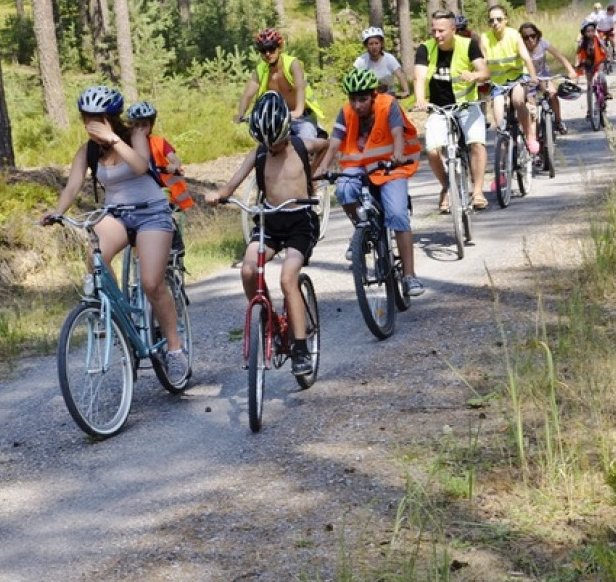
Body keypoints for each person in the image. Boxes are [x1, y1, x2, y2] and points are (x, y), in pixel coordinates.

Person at [41, 86, 189, 384]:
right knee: (95, 255)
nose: (90, 125)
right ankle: (119, 313)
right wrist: (56, 211)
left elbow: (139, 165)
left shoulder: (134, 135)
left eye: (97, 118)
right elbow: (72, 186)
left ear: (111, 118)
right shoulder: (88, 151)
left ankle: (175, 350)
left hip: (151, 212)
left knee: (151, 282)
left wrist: (112, 139)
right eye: (86, 119)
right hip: (117, 214)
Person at [205, 92, 318, 376]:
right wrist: (219, 195)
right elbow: (231, 185)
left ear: (286, 132)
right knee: (248, 269)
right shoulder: (258, 153)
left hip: (300, 222)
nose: (273, 148)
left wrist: (320, 171)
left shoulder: (301, 145)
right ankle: (268, 319)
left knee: (287, 277)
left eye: (277, 142)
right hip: (270, 222)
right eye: (267, 144)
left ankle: (301, 349)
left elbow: (331, 145)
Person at [313, 68, 425, 297]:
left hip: (389, 167)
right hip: (359, 167)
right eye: (352, 99)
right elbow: (334, 142)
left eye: (362, 99)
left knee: (397, 214)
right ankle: (362, 232)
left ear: (373, 95)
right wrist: (323, 166)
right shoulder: (346, 112)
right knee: (343, 190)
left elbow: (396, 133)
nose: (357, 105)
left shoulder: (387, 105)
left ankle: (410, 276)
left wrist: (397, 154)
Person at [413, 10, 491, 213]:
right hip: (438, 108)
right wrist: (421, 99)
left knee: (476, 143)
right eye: (434, 31)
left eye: (441, 31)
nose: (437, 35)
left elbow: (485, 72)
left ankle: (478, 191)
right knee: (432, 150)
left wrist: (474, 76)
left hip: (466, 105)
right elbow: (419, 77)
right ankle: (447, 185)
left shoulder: (468, 45)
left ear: (453, 29)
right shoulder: (425, 49)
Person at [235, 28, 323, 139]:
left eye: (271, 49)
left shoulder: (292, 64)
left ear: (279, 48)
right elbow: (247, 95)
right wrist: (241, 113)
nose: (267, 54)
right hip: (278, 122)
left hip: (302, 119)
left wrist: (298, 111)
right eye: (263, 50)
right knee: (266, 151)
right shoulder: (260, 70)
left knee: (306, 148)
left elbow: (300, 88)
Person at [480, 4, 542, 155]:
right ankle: (503, 168)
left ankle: (529, 136)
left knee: (517, 100)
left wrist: (533, 77)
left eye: (499, 19)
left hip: (517, 77)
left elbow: (526, 58)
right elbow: (483, 61)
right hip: (498, 82)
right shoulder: (484, 38)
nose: (495, 23)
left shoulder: (514, 35)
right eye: (491, 20)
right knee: (499, 120)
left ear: (506, 20)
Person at [125, 101, 195, 211]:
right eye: (136, 125)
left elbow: (174, 159)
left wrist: (174, 166)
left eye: (144, 125)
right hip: (139, 186)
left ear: (151, 125)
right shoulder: (126, 145)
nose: (140, 129)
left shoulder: (159, 142)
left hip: (162, 184)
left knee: (168, 205)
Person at [518, 22, 577, 135]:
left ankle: (558, 121)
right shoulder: (520, 48)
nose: (530, 39)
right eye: (526, 37)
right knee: (531, 105)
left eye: (533, 35)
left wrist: (571, 70)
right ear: (521, 39)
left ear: (537, 35)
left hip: (543, 75)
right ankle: (533, 133)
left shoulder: (543, 43)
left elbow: (560, 56)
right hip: (528, 79)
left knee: (553, 94)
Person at [353, 26, 410, 97]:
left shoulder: (389, 58)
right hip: (368, 97)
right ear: (366, 46)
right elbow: (354, 79)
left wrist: (406, 91)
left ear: (381, 44)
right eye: (371, 44)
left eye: (377, 43)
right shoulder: (361, 61)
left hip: (388, 95)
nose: (374, 47)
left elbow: (400, 76)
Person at [575, 22, 611, 104]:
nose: (591, 33)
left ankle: (606, 93)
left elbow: (605, 49)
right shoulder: (582, 43)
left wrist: (609, 58)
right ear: (584, 33)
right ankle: (589, 109)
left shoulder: (598, 40)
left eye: (592, 31)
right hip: (588, 62)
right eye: (588, 31)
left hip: (599, 61)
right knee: (589, 85)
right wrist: (577, 62)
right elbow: (577, 53)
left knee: (601, 75)